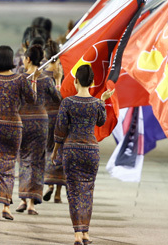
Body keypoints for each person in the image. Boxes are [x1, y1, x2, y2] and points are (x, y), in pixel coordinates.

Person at [52, 64, 114, 245]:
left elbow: (60, 129)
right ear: (93, 82)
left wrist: (56, 151)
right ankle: (85, 232)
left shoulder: (68, 103)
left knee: (73, 192)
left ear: (76, 80)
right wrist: (101, 100)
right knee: (87, 191)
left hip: (71, 150)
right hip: (91, 151)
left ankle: (77, 234)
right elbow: (101, 121)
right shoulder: (96, 104)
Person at [0, 45, 37, 221]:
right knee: (10, 167)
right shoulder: (20, 79)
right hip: (13, 126)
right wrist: (32, 81)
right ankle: (7, 207)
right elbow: (32, 100)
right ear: (11, 60)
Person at [16, 44, 61, 215]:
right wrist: (57, 80)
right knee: (37, 162)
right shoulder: (46, 79)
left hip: (23, 121)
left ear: (27, 59)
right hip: (41, 123)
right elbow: (58, 100)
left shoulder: (19, 78)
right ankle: (31, 204)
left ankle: (22, 199)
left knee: (23, 161)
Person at [42, 40, 65, 204]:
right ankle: (57, 192)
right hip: (61, 117)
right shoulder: (63, 75)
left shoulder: (41, 75)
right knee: (61, 150)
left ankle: (49, 184)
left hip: (45, 118)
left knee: (48, 150)